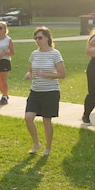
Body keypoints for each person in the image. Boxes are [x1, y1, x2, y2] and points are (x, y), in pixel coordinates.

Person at [24, 26, 65, 156]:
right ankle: (36, 143)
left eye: (40, 38)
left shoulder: (55, 53)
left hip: (50, 92)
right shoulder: (34, 54)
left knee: (46, 121)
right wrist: (29, 75)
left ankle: (48, 148)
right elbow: (31, 71)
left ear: (47, 38)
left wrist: (46, 74)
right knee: (28, 118)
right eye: (35, 38)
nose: (37, 40)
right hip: (35, 91)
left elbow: (62, 74)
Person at [0, 21, 15, 105]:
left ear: (5, 29)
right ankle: (4, 94)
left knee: (3, 80)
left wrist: (4, 53)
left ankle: (4, 96)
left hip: (5, 61)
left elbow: (12, 52)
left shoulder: (8, 40)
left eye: (0, 28)